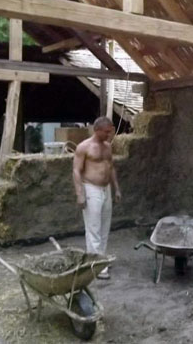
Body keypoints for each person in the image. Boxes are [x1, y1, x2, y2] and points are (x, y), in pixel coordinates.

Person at [73, 117, 122, 279]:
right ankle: (96, 265)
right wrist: (80, 194)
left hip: (105, 188)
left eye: (110, 131)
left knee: (104, 226)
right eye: (106, 132)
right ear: (97, 130)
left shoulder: (108, 147)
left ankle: (101, 258)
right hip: (91, 188)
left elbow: (111, 167)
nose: (109, 134)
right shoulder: (84, 147)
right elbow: (76, 171)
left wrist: (116, 189)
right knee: (93, 227)